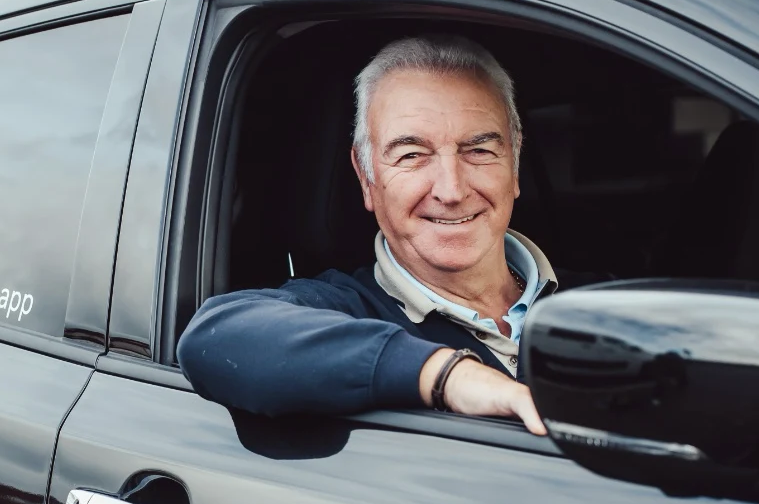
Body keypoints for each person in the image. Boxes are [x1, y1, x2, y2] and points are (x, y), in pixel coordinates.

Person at [178, 34, 554, 435]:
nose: (452, 190)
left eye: (478, 150)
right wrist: (445, 376)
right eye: (411, 155)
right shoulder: (340, 309)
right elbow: (215, 336)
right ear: (366, 179)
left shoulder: (604, 302)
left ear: (514, 164)